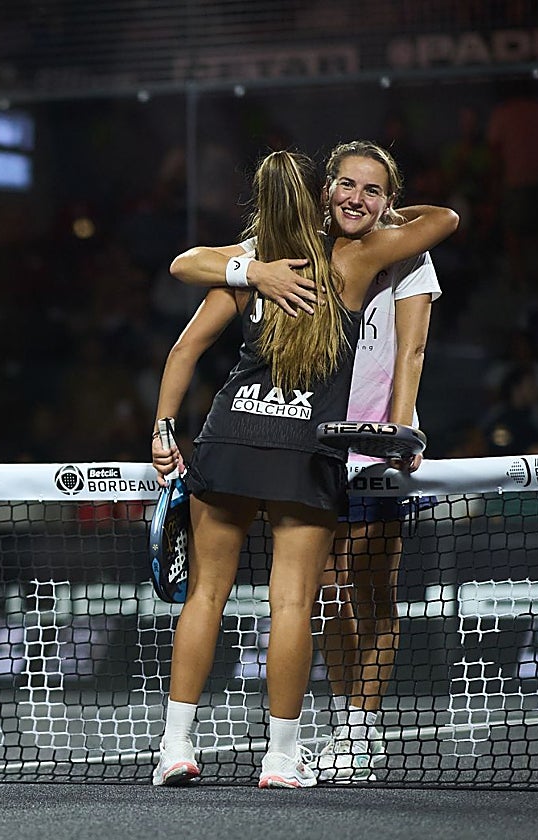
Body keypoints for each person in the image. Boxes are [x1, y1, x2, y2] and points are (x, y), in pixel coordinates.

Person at [148, 150, 457, 789]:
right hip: (310, 447)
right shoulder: (342, 260)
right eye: (346, 184)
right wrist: (253, 265)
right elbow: (446, 218)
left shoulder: (276, 261)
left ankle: (177, 747)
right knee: (298, 601)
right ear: (320, 193)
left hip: (242, 435)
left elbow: (184, 340)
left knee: (222, 595)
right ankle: (283, 757)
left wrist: (162, 428)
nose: (358, 198)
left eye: (375, 191)